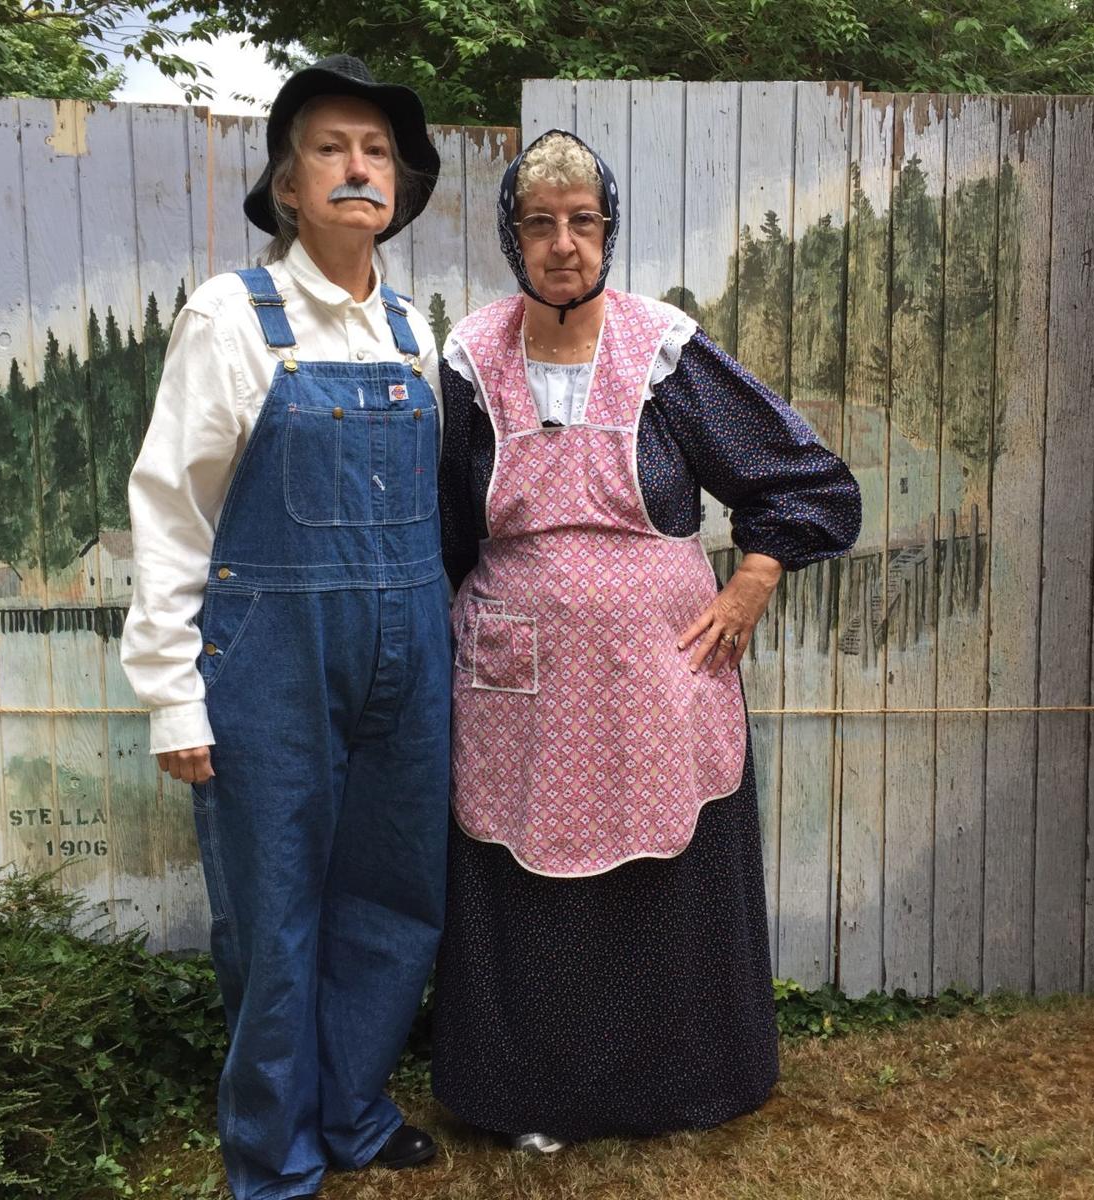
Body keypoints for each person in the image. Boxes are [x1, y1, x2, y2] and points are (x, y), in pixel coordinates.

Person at [432, 129, 861, 1149]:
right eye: (540, 225)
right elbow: (446, 529)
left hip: (662, 676)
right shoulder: (469, 360)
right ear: (511, 237)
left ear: (608, 232)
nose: (563, 245)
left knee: (665, 882)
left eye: (583, 222)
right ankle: (529, 1099)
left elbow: (805, 480)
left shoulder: (663, 351)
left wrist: (756, 574)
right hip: (515, 687)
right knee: (527, 885)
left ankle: (681, 1089)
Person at [121, 55, 449, 1199]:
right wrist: (173, 688)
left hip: (411, 661)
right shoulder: (231, 316)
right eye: (331, 149)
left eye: (378, 153)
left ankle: (356, 1113)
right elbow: (172, 508)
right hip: (269, 665)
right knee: (273, 913)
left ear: (398, 190)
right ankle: (274, 1151)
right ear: (288, 187)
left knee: (395, 896)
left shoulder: (416, 334)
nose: (359, 168)